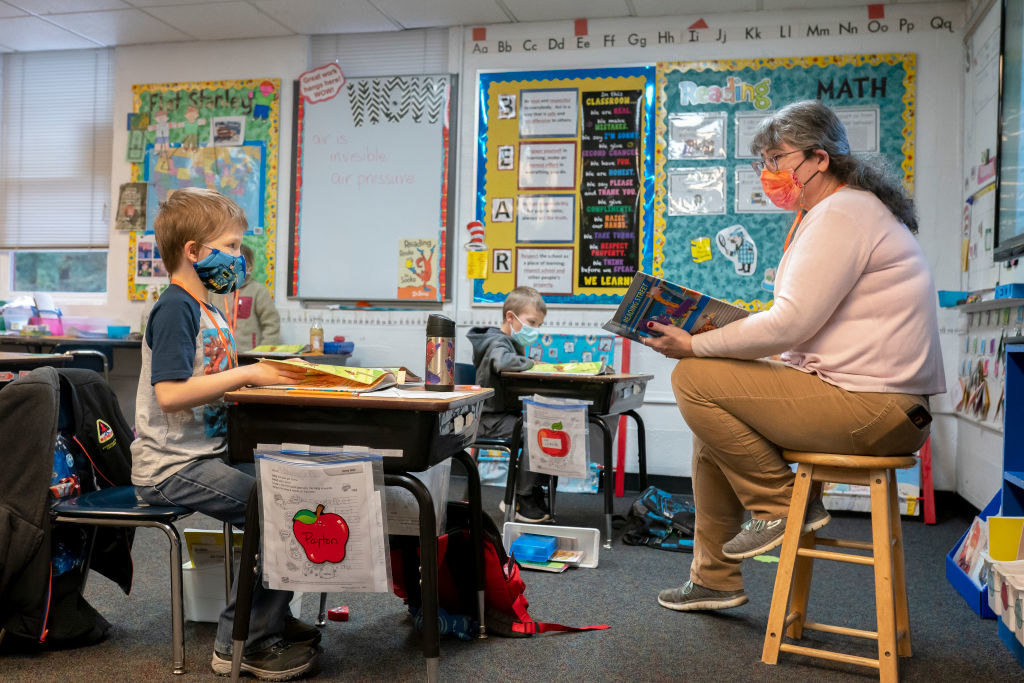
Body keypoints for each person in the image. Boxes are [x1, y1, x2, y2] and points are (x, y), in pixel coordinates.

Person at [644, 100, 945, 612]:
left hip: (873, 408)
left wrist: (695, 343)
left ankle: (782, 507)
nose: (768, 173)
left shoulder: (843, 212)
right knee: (711, 431)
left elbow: (790, 324)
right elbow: (800, 325)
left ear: (819, 159)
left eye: (777, 159)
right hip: (875, 403)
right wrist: (729, 328)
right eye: (762, 161)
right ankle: (715, 578)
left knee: (694, 378)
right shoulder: (842, 211)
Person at [129, 187, 317, 679]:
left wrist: (264, 372)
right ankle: (245, 642)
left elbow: (213, 380)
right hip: (171, 466)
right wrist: (248, 375)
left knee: (295, 486)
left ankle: (271, 614)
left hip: (207, 454)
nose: (238, 257)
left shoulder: (210, 309)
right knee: (273, 508)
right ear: (193, 251)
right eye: (231, 246)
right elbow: (170, 393)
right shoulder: (175, 308)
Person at [467, 286, 550, 522]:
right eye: (531, 322)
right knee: (536, 430)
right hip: (487, 420)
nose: (535, 329)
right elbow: (501, 362)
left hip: (501, 417)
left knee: (550, 424)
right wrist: (532, 363)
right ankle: (521, 497)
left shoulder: (509, 342)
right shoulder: (497, 342)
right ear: (510, 317)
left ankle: (530, 490)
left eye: (539, 325)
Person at [218, 243, 282, 353]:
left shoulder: (258, 291)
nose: (232, 267)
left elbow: (272, 323)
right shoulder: (216, 291)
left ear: (249, 266)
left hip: (249, 356)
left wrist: (263, 353)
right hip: (222, 356)